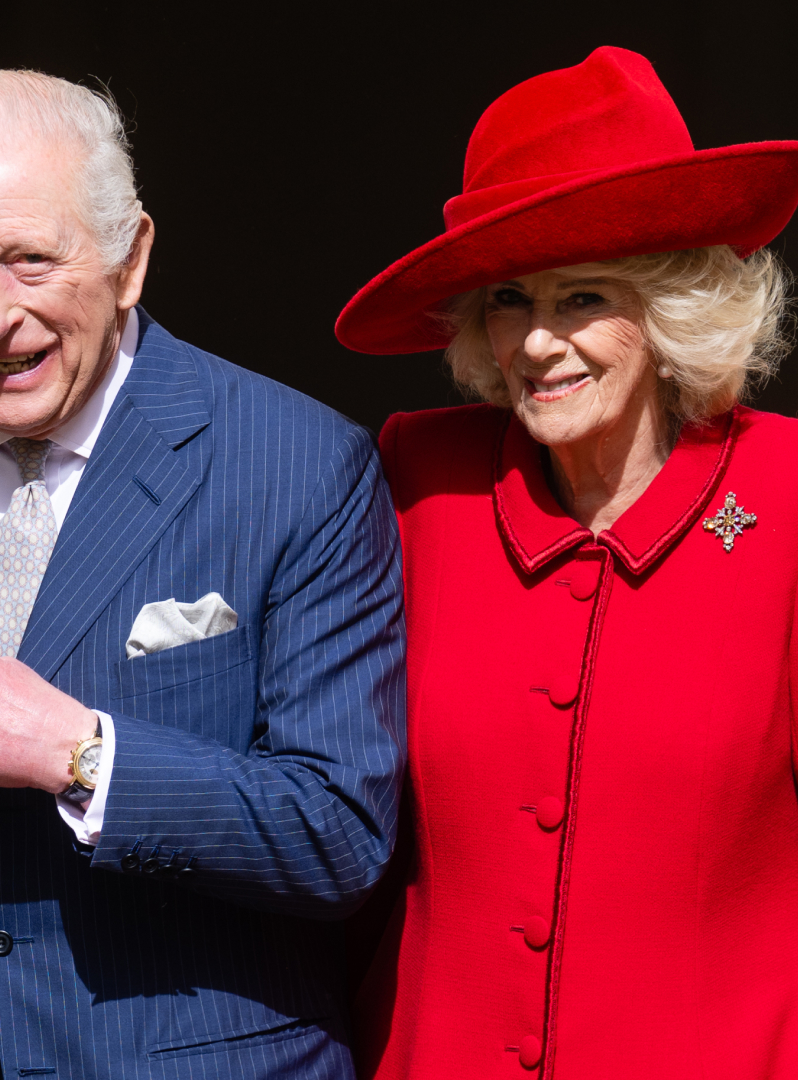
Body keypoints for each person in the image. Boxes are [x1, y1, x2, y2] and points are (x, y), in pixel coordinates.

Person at [0, 70, 406, 1079]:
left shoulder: (299, 466)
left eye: (32, 260)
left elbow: (340, 833)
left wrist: (82, 754)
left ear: (129, 258)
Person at [335, 46, 798, 1079]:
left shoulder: (788, 495)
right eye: (509, 299)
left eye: (581, 298)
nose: (538, 344)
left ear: (671, 305)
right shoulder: (416, 482)